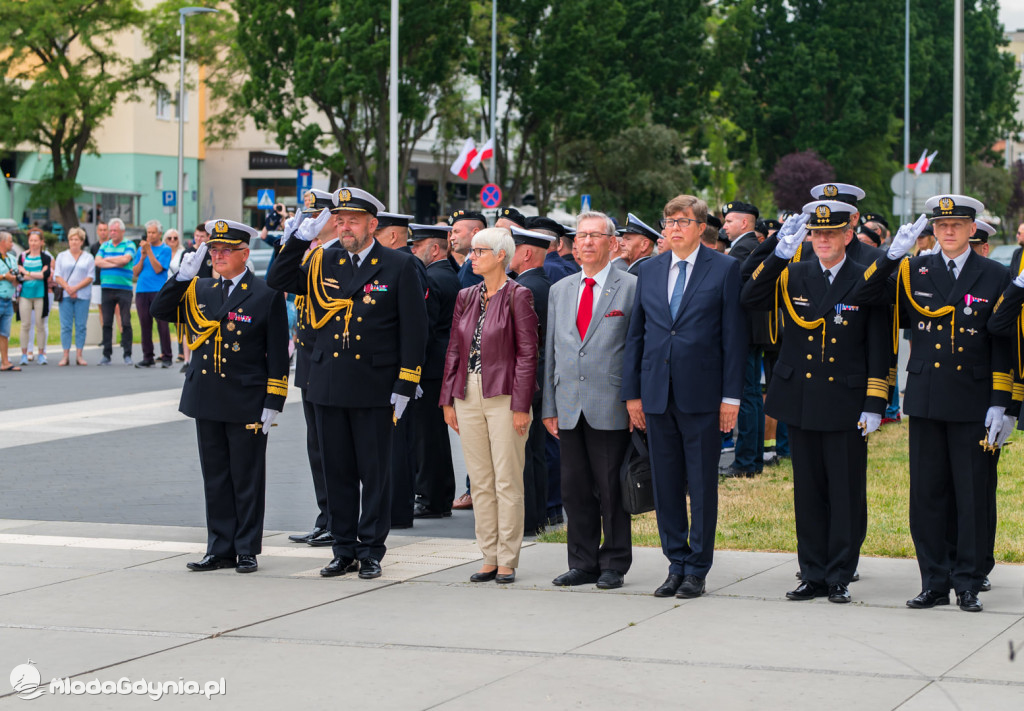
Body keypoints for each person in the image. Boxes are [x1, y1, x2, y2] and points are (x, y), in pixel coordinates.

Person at [854, 195, 1011, 613]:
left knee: (972, 494)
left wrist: (1003, 402)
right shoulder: (913, 268)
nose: (948, 231)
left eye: (957, 225)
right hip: (926, 396)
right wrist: (891, 255)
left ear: (972, 229)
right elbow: (866, 293)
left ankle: (969, 581)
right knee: (927, 494)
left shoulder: (994, 275)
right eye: (941, 226)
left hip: (975, 400)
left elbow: (1004, 341)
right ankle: (934, 581)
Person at [268, 187, 427, 580]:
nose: (345, 227)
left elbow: (414, 329)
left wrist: (406, 383)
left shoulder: (397, 264)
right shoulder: (323, 259)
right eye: (340, 220)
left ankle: (371, 549)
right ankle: (343, 548)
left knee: (374, 473)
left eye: (353, 220)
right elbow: (278, 279)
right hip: (327, 382)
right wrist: (300, 238)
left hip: (374, 384)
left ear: (373, 224)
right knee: (335, 471)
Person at [741, 205, 890, 604]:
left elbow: (879, 344)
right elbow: (750, 295)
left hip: (845, 398)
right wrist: (776, 253)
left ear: (847, 236)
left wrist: (875, 401)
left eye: (831, 233)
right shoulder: (793, 273)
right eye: (815, 234)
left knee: (844, 491)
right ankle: (812, 573)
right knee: (807, 492)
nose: (822, 240)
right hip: (802, 397)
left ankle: (840, 574)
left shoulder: (865, 278)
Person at [622, 194, 746, 599]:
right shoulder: (651, 270)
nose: (674, 228)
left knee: (701, 483)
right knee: (666, 483)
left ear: (699, 226)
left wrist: (731, 398)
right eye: (669, 221)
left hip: (703, 396)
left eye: (682, 221)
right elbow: (636, 336)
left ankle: (697, 568)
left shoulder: (725, 269)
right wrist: (633, 395)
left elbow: (734, 339)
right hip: (657, 394)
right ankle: (675, 563)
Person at [151, 219, 288, 574]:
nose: (218, 256)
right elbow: (161, 312)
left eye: (226, 250)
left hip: (246, 397)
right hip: (207, 395)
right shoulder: (200, 289)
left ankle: (246, 548)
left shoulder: (265, 293)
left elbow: (276, 354)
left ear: (244, 254)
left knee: (246, 475)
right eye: (214, 250)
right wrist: (182, 277)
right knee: (215, 476)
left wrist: (274, 401)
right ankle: (219, 547)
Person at [543, 210, 637, 590]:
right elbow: (552, 351)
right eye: (580, 236)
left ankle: (614, 561)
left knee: (612, 489)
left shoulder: (631, 287)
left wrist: (635, 401)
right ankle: (582, 562)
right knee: (575, 488)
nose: (585, 242)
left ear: (612, 243)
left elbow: (636, 349)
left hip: (610, 404)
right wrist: (548, 406)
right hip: (568, 405)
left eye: (594, 236)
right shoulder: (560, 290)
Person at [440, 227, 538, 584]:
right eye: (472, 251)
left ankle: (508, 558)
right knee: (480, 479)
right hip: (467, 392)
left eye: (479, 251)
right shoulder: (466, 295)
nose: (471, 256)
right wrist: (447, 399)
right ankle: (488, 555)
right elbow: (454, 348)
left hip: (505, 394)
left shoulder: (519, 295)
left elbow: (528, 354)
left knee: (506, 479)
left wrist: (522, 404)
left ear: (501, 256)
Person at [408, 223, 460, 520]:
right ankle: (437, 494)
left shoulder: (432, 278)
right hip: (442, 364)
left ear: (435, 248)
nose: (413, 250)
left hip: (430, 367)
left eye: (418, 245)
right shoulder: (448, 274)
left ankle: (431, 497)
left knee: (426, 437)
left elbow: (425, 327)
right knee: (433, 435)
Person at [508, 224, 554, 535]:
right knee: (534, 452)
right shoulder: (544, 284)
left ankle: (525, 520)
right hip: (540, 378)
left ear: (525, 253)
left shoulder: (524, 289)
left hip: (527, 379)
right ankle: (536, 517)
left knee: (521, 455)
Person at [720, 201, 765, 477]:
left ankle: (746, 461)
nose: (724, 225)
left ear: (744, 224)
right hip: (755, 330)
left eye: (729, 221)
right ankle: (753, 458)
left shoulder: (741, 249)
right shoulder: (750, 246)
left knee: (746, 394)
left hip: (744, 331)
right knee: (753, 395)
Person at [94, 218, 136, 365]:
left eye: (115, 230)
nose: (112, 233)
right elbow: (97, 261)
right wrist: (116, 260)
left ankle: (127, 353)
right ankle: (106, 354)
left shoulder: (129, 244)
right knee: (106, 321)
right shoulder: (104, 245)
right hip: (107, 288)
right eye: (110, 230)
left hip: (124, 288)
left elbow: (126, 260)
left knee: (125, 321)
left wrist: (108, 260)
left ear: (122, 232)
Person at [133, 220, 173, 368]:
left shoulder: (165, 249)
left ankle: (167, 356)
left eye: (153, 232)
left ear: (160, 234)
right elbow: (135, 272)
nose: (150, 235)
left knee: (162, 324)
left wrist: (149, 251)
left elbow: (158, 269)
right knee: (145, 324)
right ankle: (147, 356)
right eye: (148, 232)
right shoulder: (141, 251)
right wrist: (143, 256)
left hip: (158, 290)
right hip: (142, 290)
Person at [53, 227, 95, 366]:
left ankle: (79, 354)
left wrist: (76, 288)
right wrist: (68, 288)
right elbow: (57, 275)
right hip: (65, 295)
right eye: (71, 239)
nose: (73, 242)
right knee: (65, 326)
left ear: (82, 241)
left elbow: (90, 277)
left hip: (82, 295)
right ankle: (65, 355)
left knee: (81, 325)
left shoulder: (88, 257)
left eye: (76, 239)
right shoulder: (62, 256)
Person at [16, 230, 52, 366]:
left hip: (40, 295)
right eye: (31, 240)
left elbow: (45, 275)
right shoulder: (23, 256)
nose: (33, 243)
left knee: (40, 324)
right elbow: (20, 276)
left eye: (36, 240)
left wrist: (28, 272)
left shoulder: (45, 258)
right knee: (25, 325)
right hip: (25, 294)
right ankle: (24, 354)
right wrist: (36, 273)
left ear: (41, 242)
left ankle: (41, 354)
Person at [449, 210, 486, 288]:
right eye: (452, 233)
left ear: (475, 233)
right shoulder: (470, 263)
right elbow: (461, 273)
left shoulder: (474, 264)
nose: (451, 238)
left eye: (456, 232)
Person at [0, 232, 19, 371]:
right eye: (10, 241)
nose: (12, 244)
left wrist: (16, 278)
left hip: (8, 300)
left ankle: (5, 362)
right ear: (2, 242)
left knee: (4, 333)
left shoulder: (12, 258)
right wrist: (3, 276)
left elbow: (17, 276)